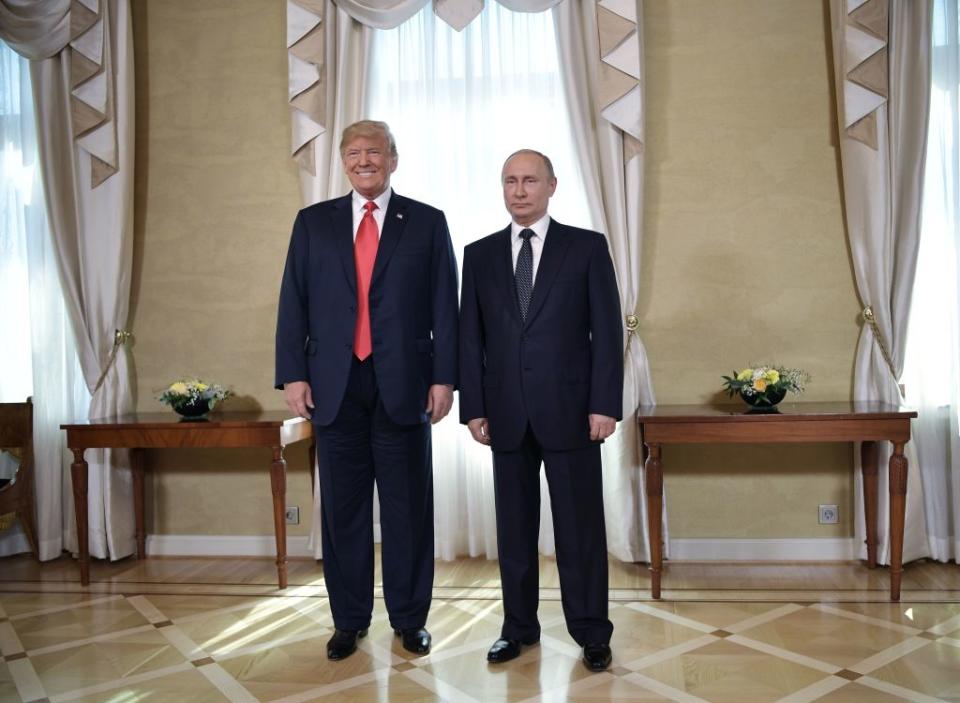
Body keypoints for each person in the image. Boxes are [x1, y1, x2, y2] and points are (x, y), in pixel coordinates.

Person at [275, 120, 458, 661]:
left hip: (404, 385)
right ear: (342, 162)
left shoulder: (426, 223)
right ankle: (349, 620)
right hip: (333, 386)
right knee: (344, 512)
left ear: (393, 159)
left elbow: (445, 306)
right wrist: (293, 373)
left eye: (373, 152)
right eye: (352, 153)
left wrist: (445, 378)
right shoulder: (313, 223)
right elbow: (294, 300)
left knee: (407, 509)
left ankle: (409, 619)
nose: (363, 161)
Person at [458, 149, 623, 671]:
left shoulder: (587, 248)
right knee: (513, 529)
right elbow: (470, 339)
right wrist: (474, 407)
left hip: (574, 411)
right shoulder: (479, 255)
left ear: (552, 186)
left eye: (530, 180)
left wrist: (604, 404)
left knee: (580, 529)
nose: (519, 190)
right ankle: (519, 629)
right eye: (510, 180)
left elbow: (607, 333)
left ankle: (592, 631)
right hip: (505, 413)